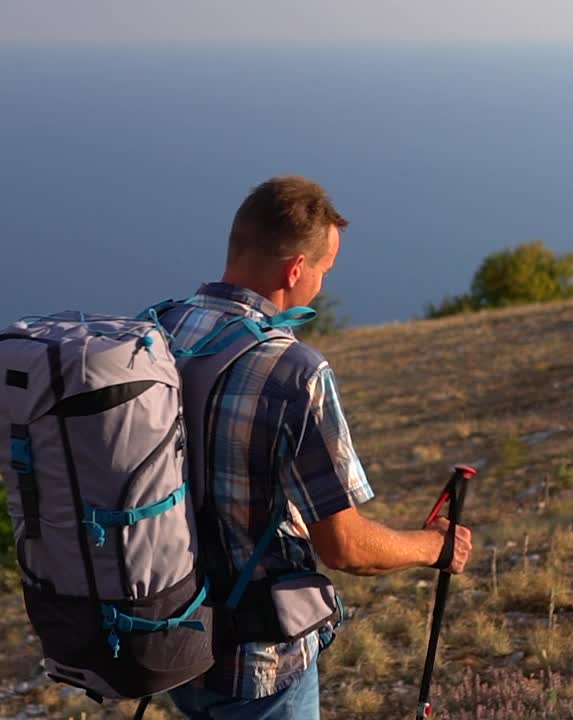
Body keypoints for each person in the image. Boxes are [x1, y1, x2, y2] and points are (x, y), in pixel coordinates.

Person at [162, 176, 473, 720]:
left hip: (171, 646)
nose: (323, 284)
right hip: (258, 665)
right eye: (324, 269)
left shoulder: (163, 330)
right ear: (294, 270)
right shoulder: (293, 371)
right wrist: (434, 548)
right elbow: (345, 548)